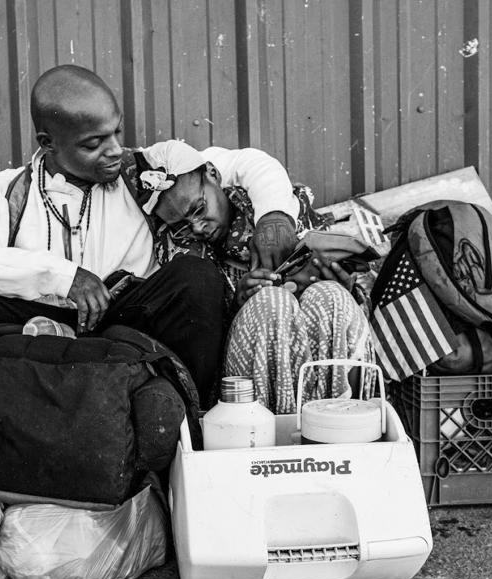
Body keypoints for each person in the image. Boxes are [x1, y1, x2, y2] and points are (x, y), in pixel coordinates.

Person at [0, 65, 230, 397]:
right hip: (30, 329)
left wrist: (275, 211)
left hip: (121, 327)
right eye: (94, 143)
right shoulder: (6, 191)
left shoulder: (143, 171)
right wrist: (62, 276)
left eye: (116, 132)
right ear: (49, 144)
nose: (115, 149)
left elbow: (238, 165)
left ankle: (187, 417)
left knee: (195, 278)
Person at [136, 140, 376, 413]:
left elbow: (256, 164)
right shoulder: (177, 254)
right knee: (270, 304)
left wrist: (342, 284)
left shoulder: (272, 207)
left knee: (331, 297)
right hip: (241, 395)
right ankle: (281, 441)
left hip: (315, 357)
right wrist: (236, 305)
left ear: (214, 175)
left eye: (199, 209)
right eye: (182, 226)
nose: (198, 228)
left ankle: (340, 430)